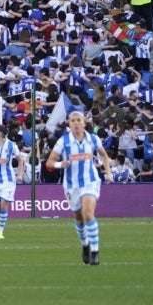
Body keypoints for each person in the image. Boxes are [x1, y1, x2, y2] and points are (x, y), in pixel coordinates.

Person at [45, 111, 112, 266]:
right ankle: (85, 244)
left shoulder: (93, 139)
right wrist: (60, 164)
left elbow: (104, 155)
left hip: (90, 181)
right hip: (71, 185)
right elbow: (49, 162)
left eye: (78, 120)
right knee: (79, 219)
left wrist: (108, 172)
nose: (75, 123)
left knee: (88, 214)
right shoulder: (63, 141)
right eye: (72, 120)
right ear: (69, 123)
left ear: (84, 123)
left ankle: (95, 252)